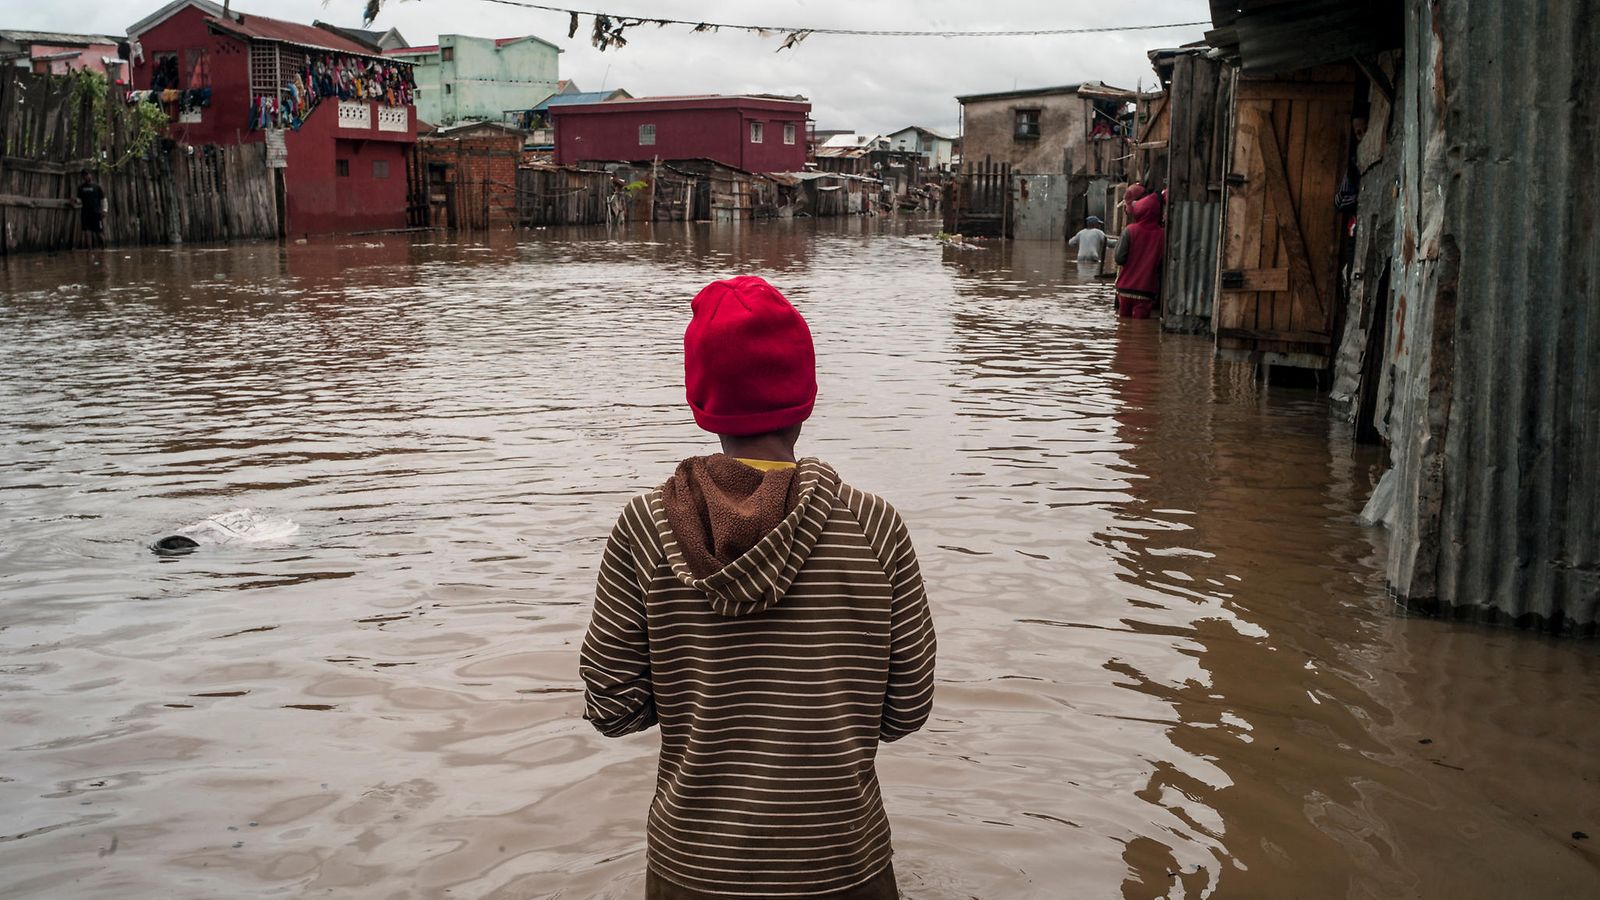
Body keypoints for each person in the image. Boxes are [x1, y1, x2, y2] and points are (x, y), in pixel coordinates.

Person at [580, 275, 937, 899]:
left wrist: (702, 694)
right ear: (805, 391)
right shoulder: (876, 526)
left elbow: (613, 710)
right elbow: (907, 710)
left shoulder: (644, 527)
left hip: (693, 869)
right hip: (842, 866)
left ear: (702, 398)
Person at [1114, 190, 1166, 318]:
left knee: (1123, 329)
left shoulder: (1130, 230)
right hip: (1146, 291)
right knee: (1139, 327)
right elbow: (1161, 264)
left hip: (1124, 289)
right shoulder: (1162, 235)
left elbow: (1119, 258)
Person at [76, 170, 106, 249]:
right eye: (84, 176)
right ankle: (90, 252)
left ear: (90, 175)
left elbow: (103, 199)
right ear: (82, 177)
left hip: (96, 213)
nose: (86, 177)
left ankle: (103, 249)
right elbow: (79, 200)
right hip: (85, 213)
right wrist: (75, 201)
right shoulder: (80, 188)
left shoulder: (97, 187)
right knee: (87, 232)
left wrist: (104, 210)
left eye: (87, 175)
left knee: (99, 233)